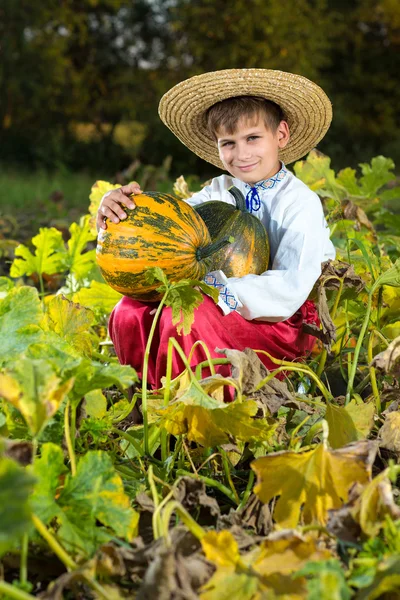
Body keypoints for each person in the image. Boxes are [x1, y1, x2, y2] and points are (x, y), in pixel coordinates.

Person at [97, 68, 336, 394]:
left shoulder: (299, 203)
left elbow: (290, 287)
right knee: (129, 310)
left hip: (277, 320)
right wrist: (121, 211)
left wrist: (215, 288)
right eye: (229, 143)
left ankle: (207, 405)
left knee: (185, 315)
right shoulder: (218, 190)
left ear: (280, 135)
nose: (242, 154)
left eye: (253, 138)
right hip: (213, 298)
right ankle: (150, 396)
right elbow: (169, 233)